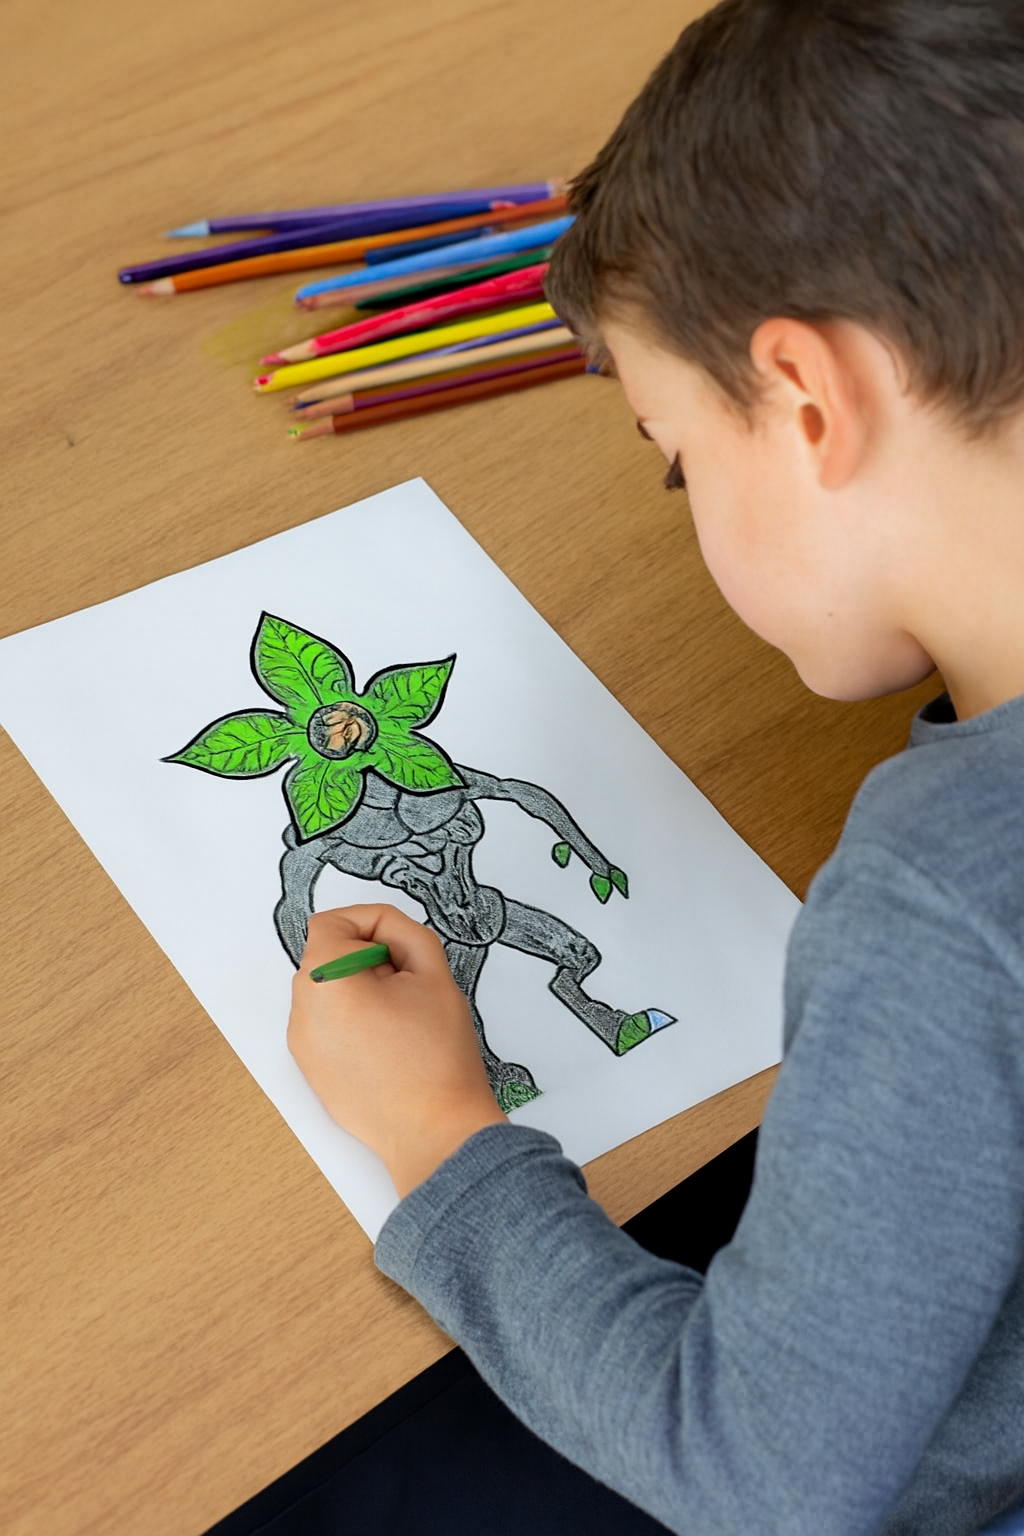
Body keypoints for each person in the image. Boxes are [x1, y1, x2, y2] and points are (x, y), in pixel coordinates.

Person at [286, 3, 1024, 1531]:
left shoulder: (941, 904)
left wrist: (440, 1132)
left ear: (811, 401)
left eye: (676, 456)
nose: (683, 510)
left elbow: (768, 1476)